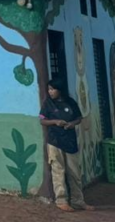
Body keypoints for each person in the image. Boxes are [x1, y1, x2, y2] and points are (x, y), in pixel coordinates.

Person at [40, 80, 93, 212]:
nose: (50, 92)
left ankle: (78, 201)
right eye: (49, 89)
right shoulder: (48, 104)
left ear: (60, 90)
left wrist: (72, 124)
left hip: (70, 141)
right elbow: (42, 120)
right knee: (58, 171)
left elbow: (79, 118)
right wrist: (55, 122)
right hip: (54, 141)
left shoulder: (71, 102)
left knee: (74, 172)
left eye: (53, 89)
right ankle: (61, 200)